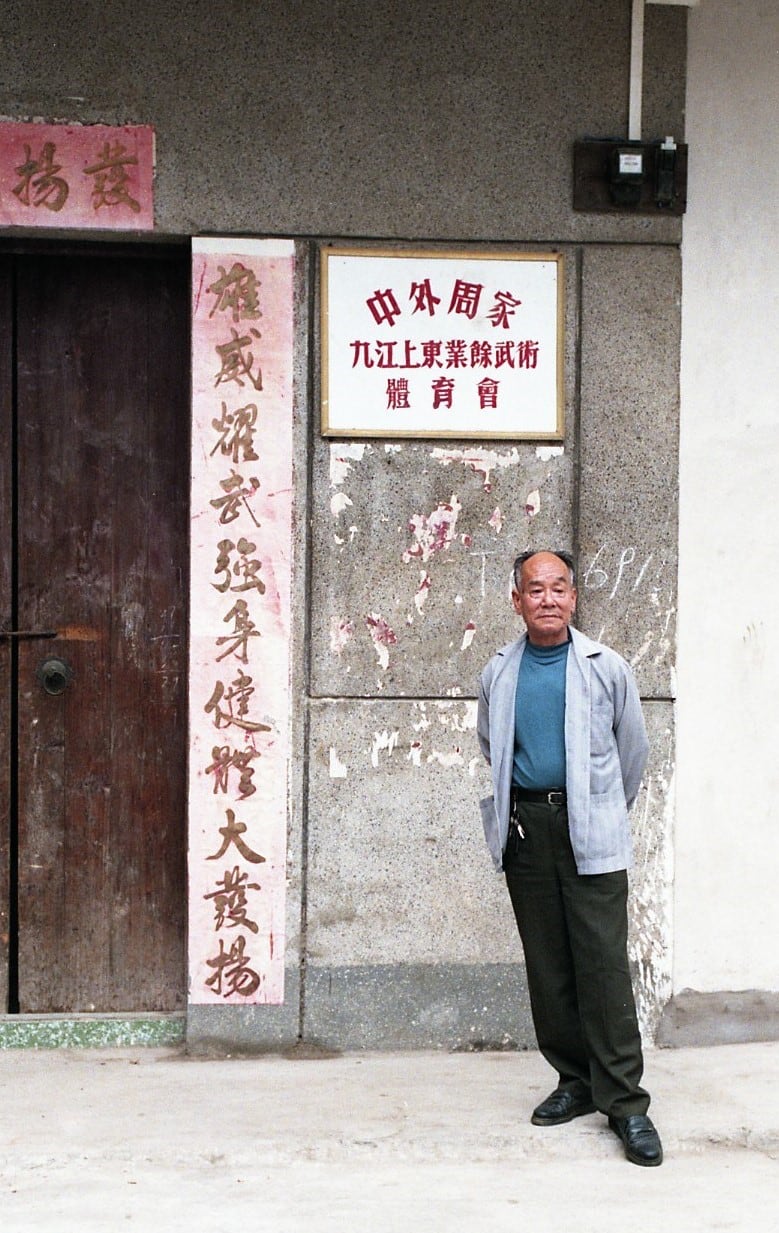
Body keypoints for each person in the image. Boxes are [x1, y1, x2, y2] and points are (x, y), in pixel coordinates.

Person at [476, 549, 663, 1167]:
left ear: (575, 598)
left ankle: (627, 1105)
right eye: (535, 589)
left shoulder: (606, 669)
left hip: (592, 830)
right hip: (526, 829)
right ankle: (575, 1082)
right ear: (517, 601)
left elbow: (631, 755)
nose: (547, 598)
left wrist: (599, 810)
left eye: (559, 588)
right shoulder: (499, 672)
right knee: (549, 963)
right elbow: (491, 746)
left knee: (602, 967)